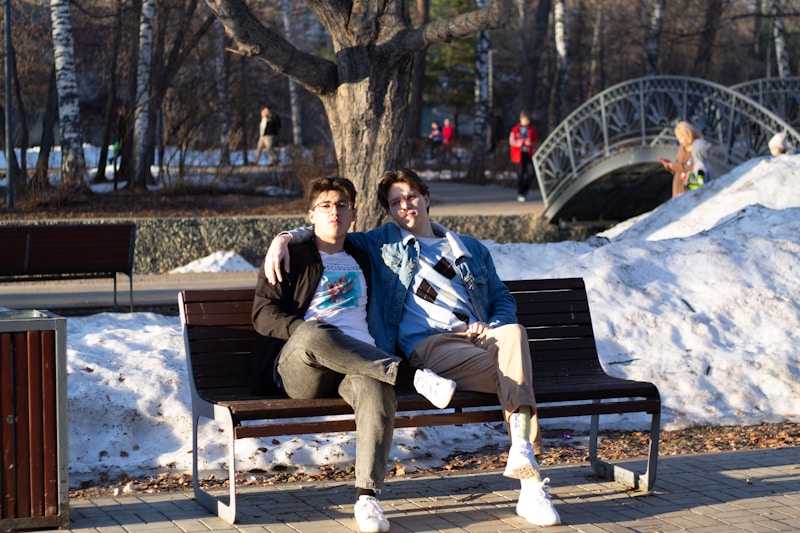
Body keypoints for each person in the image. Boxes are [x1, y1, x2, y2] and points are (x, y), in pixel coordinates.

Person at [265, 169, 562, 527]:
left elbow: (500, 298)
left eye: (411, 197)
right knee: (515, 380)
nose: (405, 206)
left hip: (476, 340)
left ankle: (525, 464)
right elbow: (328, 228)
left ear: (427, 198)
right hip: (428, 346)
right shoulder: (382, 245)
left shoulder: (470, 249)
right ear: (388, 212)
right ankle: (527, 479)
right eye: (395, 202)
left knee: (514, 337)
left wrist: (492, 325)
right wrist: (284, 236)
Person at [251, 176, 456, 533]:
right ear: (311, 214)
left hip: (357, 364)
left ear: (354, 214)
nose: (335, 212)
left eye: (342, 205)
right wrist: (284, 237)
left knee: (377, 389)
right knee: (314, 330)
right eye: (325, 206)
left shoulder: (365, 253)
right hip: (303, 366)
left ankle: (368, 498)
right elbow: (263, 314)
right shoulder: (293, 255)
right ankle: (413, 377)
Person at [658, 121, 705, 197]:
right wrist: (669, 165)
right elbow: (679, 167)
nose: (680, 141)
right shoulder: (682, 148)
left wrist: (674, 166)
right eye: (678, 138)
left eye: (681, 138)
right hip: (677, 187)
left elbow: (691, 168)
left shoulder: (696, 149)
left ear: (688, 134)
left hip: (687, 188)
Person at [509, 111, 539, 202]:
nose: (527, 122)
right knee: (521, 174)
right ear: (521, 119)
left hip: (528, 153)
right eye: (526, 120)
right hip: (518, 154)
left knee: (531, 172)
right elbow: (512, 141)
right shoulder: (515, 129)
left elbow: (535, 140)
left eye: (528, 120)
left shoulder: (531, 129)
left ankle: (525, 190)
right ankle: (520, 193)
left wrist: (531, 144)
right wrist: (522, 143)